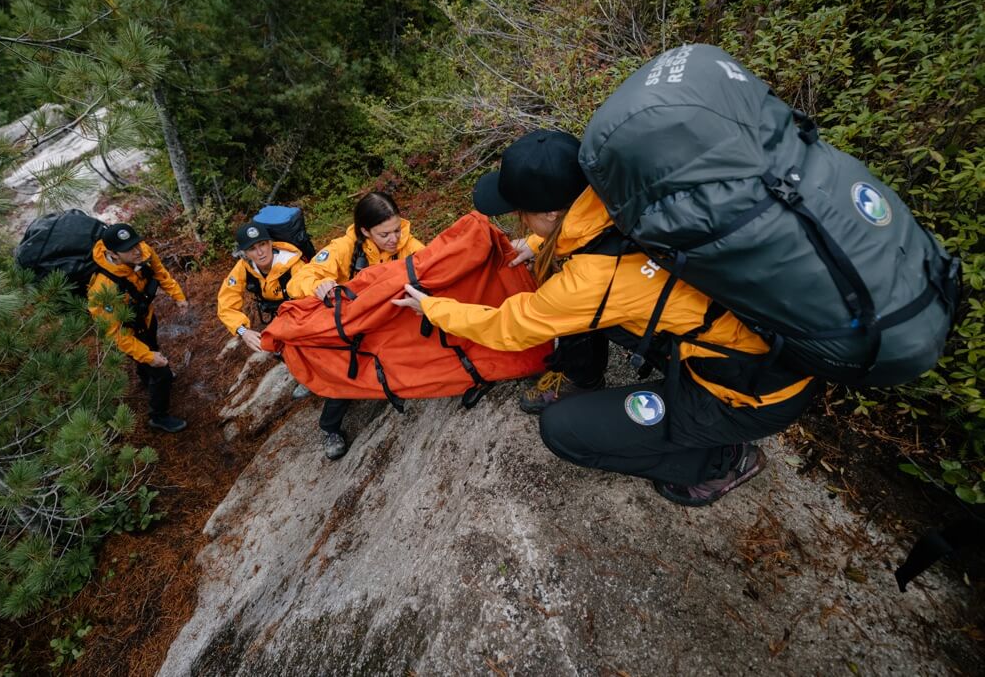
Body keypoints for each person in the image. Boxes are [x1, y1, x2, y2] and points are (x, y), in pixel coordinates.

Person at [393, 129, 816, 507]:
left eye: (520, 211)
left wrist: (432, 307)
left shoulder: (591, 283)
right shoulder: (627, 191)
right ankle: (586, 376)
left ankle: (724, 460)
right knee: (580, 312)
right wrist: (541, 246)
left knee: (562, 431)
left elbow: (510, 326)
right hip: (759, 338)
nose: (517, 219)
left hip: (747, 393)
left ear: (552, 214)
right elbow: (612, 251)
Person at [287, 191, 426, 460]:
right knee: (346, 374)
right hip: (352, 326)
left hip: (388, 323)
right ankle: (330, 427)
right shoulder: (345, 248)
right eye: (385, 234)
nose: (394, 239)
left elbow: (433, 268)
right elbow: (299, 281)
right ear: (365, 231)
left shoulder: (410, 246)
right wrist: (318, 285)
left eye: (397, 229)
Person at [88, 222, 190, 433]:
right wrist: (147, 356)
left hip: (147, 319)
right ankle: (158, 417)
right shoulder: (103, 289)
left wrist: (178, 296)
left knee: (153, 345)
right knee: (159, 370)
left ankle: (148, 378)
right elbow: (114, 333)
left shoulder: (143, 252)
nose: (137, 250)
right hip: (129, 332)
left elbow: (161, 273)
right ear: (113, 254)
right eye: (128, 249)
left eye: (136, 243)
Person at [217, 220, 311, 399]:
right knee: (279, 345)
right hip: (277, 313)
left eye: (263, 244)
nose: (260, 252)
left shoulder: (292, 264)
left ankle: (312, 378)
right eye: (253, 248)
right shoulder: (243, 268)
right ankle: (300, 368)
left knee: (299, 343)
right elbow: (226, 304)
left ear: (270, 243)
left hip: (300, 310)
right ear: (244, 253)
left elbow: (309, 295)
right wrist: (243, 331)